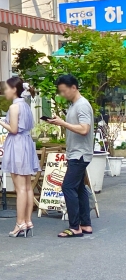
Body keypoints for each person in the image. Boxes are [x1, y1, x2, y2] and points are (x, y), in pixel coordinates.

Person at [0, 77, 40, 238]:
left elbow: (12, 129)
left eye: (6, 88)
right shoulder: (25, 105)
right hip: (26, 143)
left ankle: (20, 223)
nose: (4, 91)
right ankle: (27, 221)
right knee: (27, 186)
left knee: (19, 188)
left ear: (14, 89)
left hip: (17, 144)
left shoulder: (14, 107)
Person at [48, 74, 95, 238]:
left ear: (73, 87)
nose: (62, 94)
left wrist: (63, 123)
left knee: (67, 186)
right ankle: (85, 224)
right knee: (79, 188)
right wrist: (60, 121)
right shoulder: (75, 105)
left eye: (63, 91)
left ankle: (75, 226)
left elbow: (84, 129)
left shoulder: (81, 105)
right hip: (78, 153)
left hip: (80, 154)